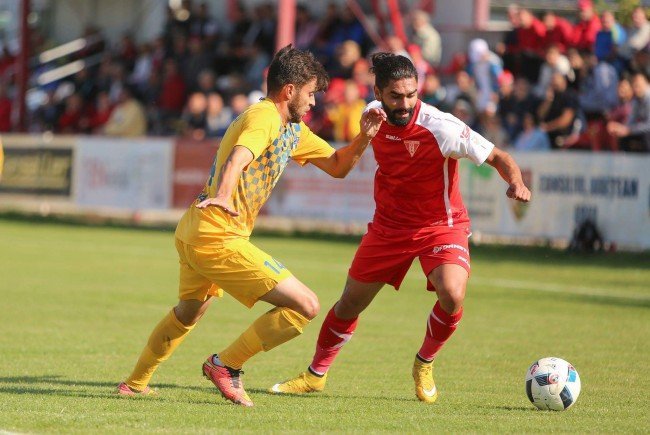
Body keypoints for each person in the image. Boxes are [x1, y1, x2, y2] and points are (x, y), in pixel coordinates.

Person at [116, 45, 385, 407]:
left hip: (197, 228)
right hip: (216, 233)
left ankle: (135, 383)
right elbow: (240, 157)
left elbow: (337, 166)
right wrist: (226, 195)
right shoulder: (264, 118)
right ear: (289, 90)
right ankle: (225, 365)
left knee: (189, 312)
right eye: (309, 94)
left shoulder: (292, 130)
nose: (313, 104)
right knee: (304, 305)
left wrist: (364, 137)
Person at [270, 53, 531, 403]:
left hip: (441, 226)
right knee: (348, 305)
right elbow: (348, 156)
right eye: (396, 96)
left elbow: (499, 157)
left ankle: (424, 363)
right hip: (389, 228)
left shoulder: (442, 126)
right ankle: (315, 375)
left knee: (452, 294)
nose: (405, 103)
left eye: (411, 95)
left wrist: (516, 183)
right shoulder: (371, 116)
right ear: (379, 91)